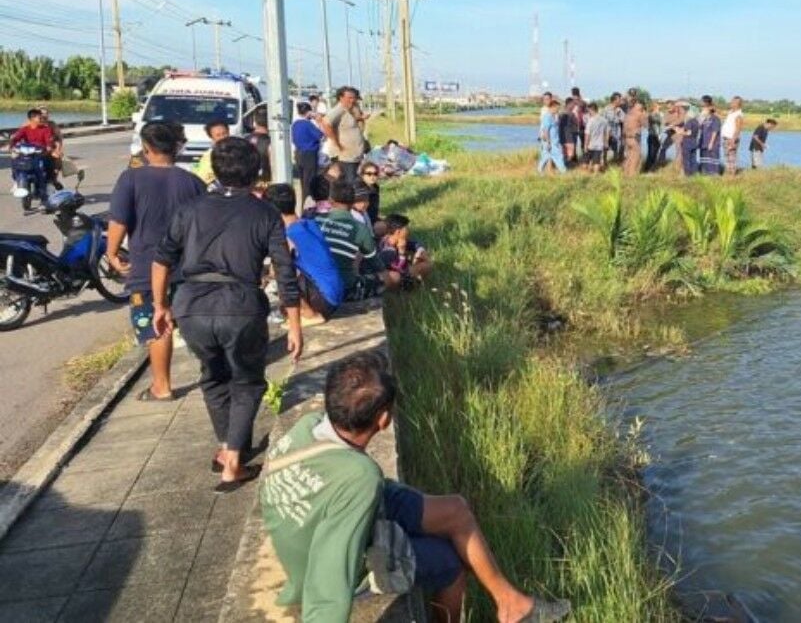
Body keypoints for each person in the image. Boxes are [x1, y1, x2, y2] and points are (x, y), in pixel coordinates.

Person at [259, 351, 570, 623]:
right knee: (450, 563)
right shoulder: (360, 476)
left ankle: (511, 605)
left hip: (342, 500)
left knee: (456, 510)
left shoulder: (307, 428)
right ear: (383, 419)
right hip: (328, 549)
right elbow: (332, 571)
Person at [152, 137, 302, 492]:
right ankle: (233, 461)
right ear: (257, 171)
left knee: (213, 377)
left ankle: (226, 446)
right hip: (241, 304)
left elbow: (162, 259)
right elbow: (284, 271)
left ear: (216, 170)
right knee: (248, 381)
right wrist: (294, 324)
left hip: (192, 305)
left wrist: (161, 306)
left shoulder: (190, 208)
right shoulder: (264, 213)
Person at [107, 122, 206, 402]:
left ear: (147, 148)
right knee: (190, 323)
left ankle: (161, 386)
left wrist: (112, 253)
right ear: (176, 147)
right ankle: (214, 372)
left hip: (146, 268)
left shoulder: (131, 179)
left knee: (157, 326)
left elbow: (119, 221)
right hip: (187, 267)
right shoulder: (193, 182)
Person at [264, 183, 344, 323]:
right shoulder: (308, 223)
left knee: (279, 275)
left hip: (323, 300)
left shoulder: (288, 236)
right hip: (335, 294)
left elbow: (277, 272)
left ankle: (309, 314)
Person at [315, 179, 385, 300]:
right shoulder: (360, 228)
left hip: (315, 287)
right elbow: (376, 264)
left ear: (330, 200)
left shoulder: (316, 221)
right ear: (353, 201)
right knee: (389, 277)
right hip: (345, 289)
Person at [321, 86, 367, 182]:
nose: (352, 100)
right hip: (345, 158)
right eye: (349, 98)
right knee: (348, 186)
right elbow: (325, 123)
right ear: (341, 98)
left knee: (356, 183)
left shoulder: (350, 109)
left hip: (354, 156)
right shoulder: (339, 110)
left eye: (354, 98)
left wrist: (361, 118)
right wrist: (336, 142)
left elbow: (351, 122)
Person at [377, 213, 432, 288]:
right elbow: (399, 269)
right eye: (406, 228)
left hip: (398, 270)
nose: (408, 231)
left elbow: (414, 243)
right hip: (392, 274)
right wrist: (402, 252)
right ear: (398, 231)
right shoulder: (388, 250)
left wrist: (421, 250)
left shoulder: (395, 239)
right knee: (425, 266)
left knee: (423, 258)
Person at [292, 102, 324, 201]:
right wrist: (319, 121)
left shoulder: (295, 124)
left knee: (303, 183)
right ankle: (308, 205)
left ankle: (303, 204)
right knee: (309, 183)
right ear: (309, 112)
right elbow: (320, 135)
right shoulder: (308, 124)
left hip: (298, 153)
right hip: (309, 155)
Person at [194, 120, 230, 186]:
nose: (222, 137)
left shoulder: (239, 150)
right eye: (218, 135)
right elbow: (202, 178)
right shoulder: (209, 156)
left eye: (224, 133)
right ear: (212, 138)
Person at [537, 98, 567, 174]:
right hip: (550, 142)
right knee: (558, 156)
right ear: (552, 107)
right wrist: (548, 142)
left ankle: (540, 171)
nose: (558, 110)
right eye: (557, 108)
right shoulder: (547, 117)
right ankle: (564, 172)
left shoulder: (554, 117)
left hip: (554, 141)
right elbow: (546, 130)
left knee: (545, 157)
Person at [246, 107, 272, 186]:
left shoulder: (244, 140)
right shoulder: (271, 143)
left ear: (254, 122)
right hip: (264, 184)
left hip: (247, 183)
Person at [622, 99, 647, 176]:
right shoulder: (640, 114)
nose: (641, 107)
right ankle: (632, 175)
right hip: (634, 138)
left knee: (629, 157)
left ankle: (625, 174)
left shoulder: (628, 114)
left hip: (627, 138)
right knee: (636, 156)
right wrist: (645, 114)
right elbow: (646, 125)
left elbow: (624, 127)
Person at [721, 96, 745, 174]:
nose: (731, 103)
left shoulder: (738, 115)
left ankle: (732, 175)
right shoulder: (731, 112)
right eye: (731, 101)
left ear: (738, 104)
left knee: (732, 157)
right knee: (727, 156)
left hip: (731, 139)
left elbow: (738, 129)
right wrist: (712, 105)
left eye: (733, 102)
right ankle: (728, 173)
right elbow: (721, 113)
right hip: (726, 138)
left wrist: (733, 140)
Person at [583, 102, 608, 173]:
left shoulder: (590, 121)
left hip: (590, 144)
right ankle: (595, 175)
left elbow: (587, 134)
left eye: (589, 111)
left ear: (591, 110)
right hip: (599, 145)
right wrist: (605, 143)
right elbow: (605, 133)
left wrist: (585, 145)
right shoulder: (604, 120)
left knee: (585, 162)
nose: (589, 112)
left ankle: (585, 176)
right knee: (596, 162)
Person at [698, 105, 722, 175]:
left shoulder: (715, 119)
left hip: (712, 143)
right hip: (703, 142)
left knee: (713, 158)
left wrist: (711, 143)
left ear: (709, 110)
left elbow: (715, 131)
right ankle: (704, 172)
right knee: (704, 158)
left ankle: (714, 174)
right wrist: (701, 118)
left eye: (704, 108)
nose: (702, 110)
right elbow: (698, 127)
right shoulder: (704, 119)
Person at [679, 104, 701, 176]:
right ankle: (694, 174)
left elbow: (688, 133)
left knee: (686, 160)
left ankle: (687, 174)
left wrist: (679, 132)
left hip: (687, 143)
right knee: (693, 159)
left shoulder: (689, 121)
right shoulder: (697, 122)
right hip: (694, 142)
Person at [602, 92, 624, 164]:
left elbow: (623, 119)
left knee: (616, 150)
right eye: (619, 99)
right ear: (615, 100)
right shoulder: (606, 109)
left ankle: (614, 164)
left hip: (616, 134)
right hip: (607, 134)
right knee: (605, 149)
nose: (621, 101)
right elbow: (606, 121)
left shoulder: (620, 110)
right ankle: (603, 164)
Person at [643, 101, 663, 172]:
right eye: (658, 105)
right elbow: (655, 121)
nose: (660, 106)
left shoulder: (659, 115)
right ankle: (647, 170)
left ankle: (651, 169)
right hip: (652, 136)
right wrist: (658, 114)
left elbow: (661, 125)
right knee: (651, 154)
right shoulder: (651, 115)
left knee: (655, 154)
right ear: (654, 107)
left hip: (658, 137)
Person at [558, 97, 578, 167]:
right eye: (573, 104)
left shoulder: (560, 113)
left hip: (562, 137)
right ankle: (565, 166)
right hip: (568, 137)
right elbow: (576, 124)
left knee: (564, 153)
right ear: (569, 104)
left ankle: (564, 166)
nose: (574, 106)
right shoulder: (569, 114)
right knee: (570, 154)